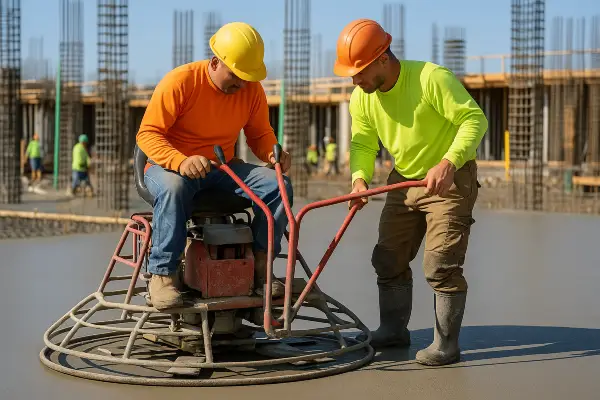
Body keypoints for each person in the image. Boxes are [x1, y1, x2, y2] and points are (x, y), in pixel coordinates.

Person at [333, 19, 488, 366]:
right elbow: (362, 141)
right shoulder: (362, 98)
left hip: (450, 179)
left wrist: (449, 162)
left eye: (359, 71)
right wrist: (359, 178)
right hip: (404, 180)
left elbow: (474, 120)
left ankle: (446, 345)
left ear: (383, 58)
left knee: (440, 264)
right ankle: (393, 329)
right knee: (387, 257)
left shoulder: (431, 78)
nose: (354, 80)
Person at [136, 22, 292, 310]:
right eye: (236, 75)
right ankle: (163, 275)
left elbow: (259, 134)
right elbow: (147, 134)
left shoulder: (252, 91)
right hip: (168, 167)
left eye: (247, 77)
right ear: (215, 62)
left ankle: (260, 268)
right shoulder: (181, 81)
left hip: (221, 168)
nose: (241, 84)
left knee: (277, 185)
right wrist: (181, 161)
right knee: (174, 187)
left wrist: (273, 154)